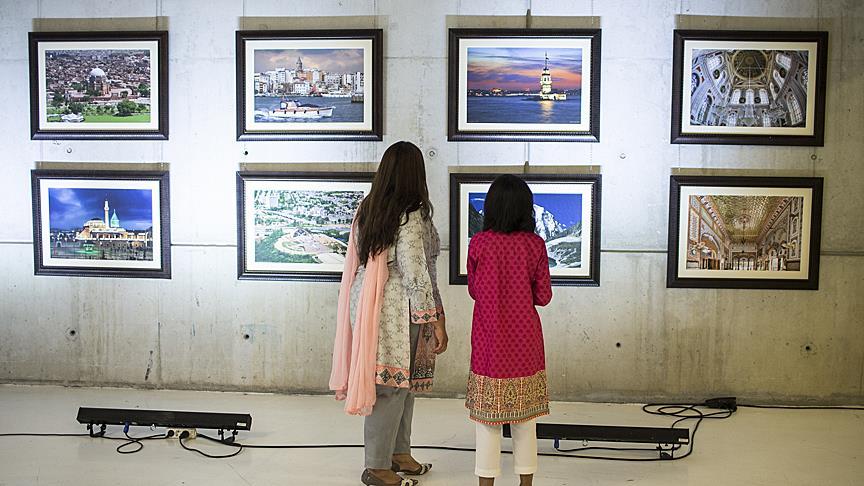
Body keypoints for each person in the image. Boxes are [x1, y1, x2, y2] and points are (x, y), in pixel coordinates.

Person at [330, 141, 449, 486]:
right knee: (392, 386)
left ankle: (399, 453)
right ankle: (377, 466)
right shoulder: (411, 214)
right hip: (396, 304)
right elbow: (415, 270)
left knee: (400, 383)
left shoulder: (369, 207)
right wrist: (434, 319)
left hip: (367, 298)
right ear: (416, 173)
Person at [465, 174, 553, 486]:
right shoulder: (535, 245)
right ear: (525, 208)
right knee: (525, 420)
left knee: (487, 421)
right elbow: (543, 296)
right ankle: (526, 483)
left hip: (488, 340)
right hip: (524, 343)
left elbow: (474, 291)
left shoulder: (479, 244)